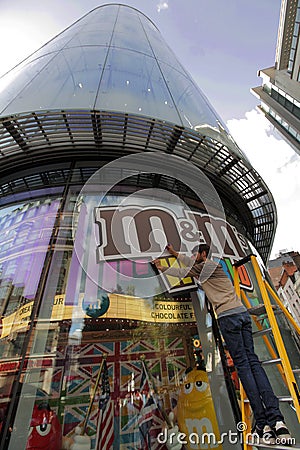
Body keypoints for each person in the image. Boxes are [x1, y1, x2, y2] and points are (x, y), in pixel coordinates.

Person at [152, 243, 292, 446]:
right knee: (253, 363)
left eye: (195, 253)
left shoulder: (204, 267)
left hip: (228, 317)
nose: (193, 256)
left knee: (244, 367)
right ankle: (277, 420)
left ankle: (263, 423)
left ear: (202, 254)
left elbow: (183, 270)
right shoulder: (212, 267)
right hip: (242, 314)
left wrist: (161, 267)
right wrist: (174, 253)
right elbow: (187, 263)